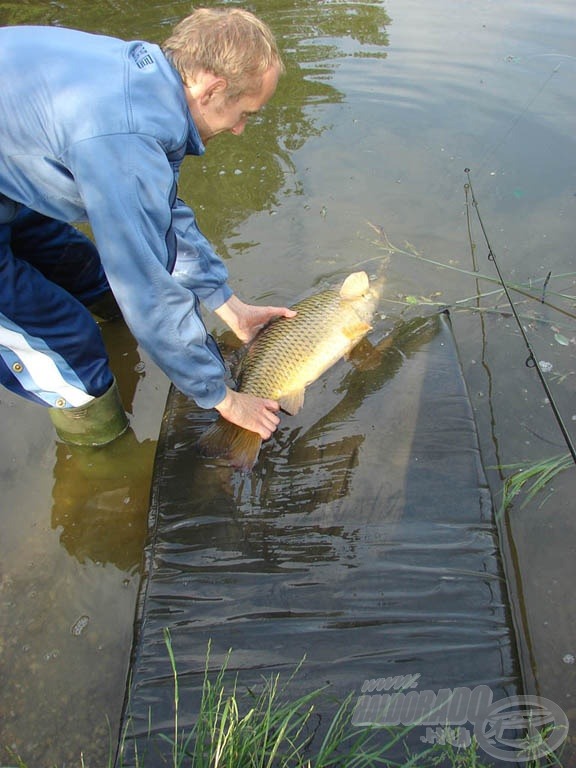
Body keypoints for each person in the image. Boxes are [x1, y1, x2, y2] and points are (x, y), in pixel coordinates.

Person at [0, 7, 295, 446]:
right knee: (72, 347)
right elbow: (146, 290)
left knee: (89, 274)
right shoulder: (124, 140)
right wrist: (220, 395)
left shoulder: (145, 81)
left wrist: (227, 305)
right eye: (245, 113)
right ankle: (104, 469)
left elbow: (160, 211)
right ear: (212, 89)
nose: (238, 130)